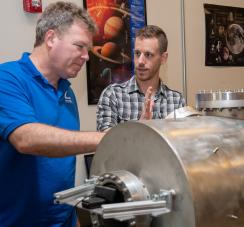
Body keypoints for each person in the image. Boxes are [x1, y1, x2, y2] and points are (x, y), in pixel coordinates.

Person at [0, 2, 105, 226]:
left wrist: (72, 218)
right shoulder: (7, 79)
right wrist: (106, 137)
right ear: (50, 38)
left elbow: (63, 165)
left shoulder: (67, 91)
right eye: (79, 46)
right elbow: (26, 139)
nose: (87, 56)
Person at [96, 25, 186, 131]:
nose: (140, 61)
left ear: (163, 58)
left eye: (148, 55)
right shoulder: (113, 95)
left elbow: (181, 144)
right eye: (137, 53)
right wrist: (140, 128)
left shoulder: (176, 100)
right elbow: (106, 142)